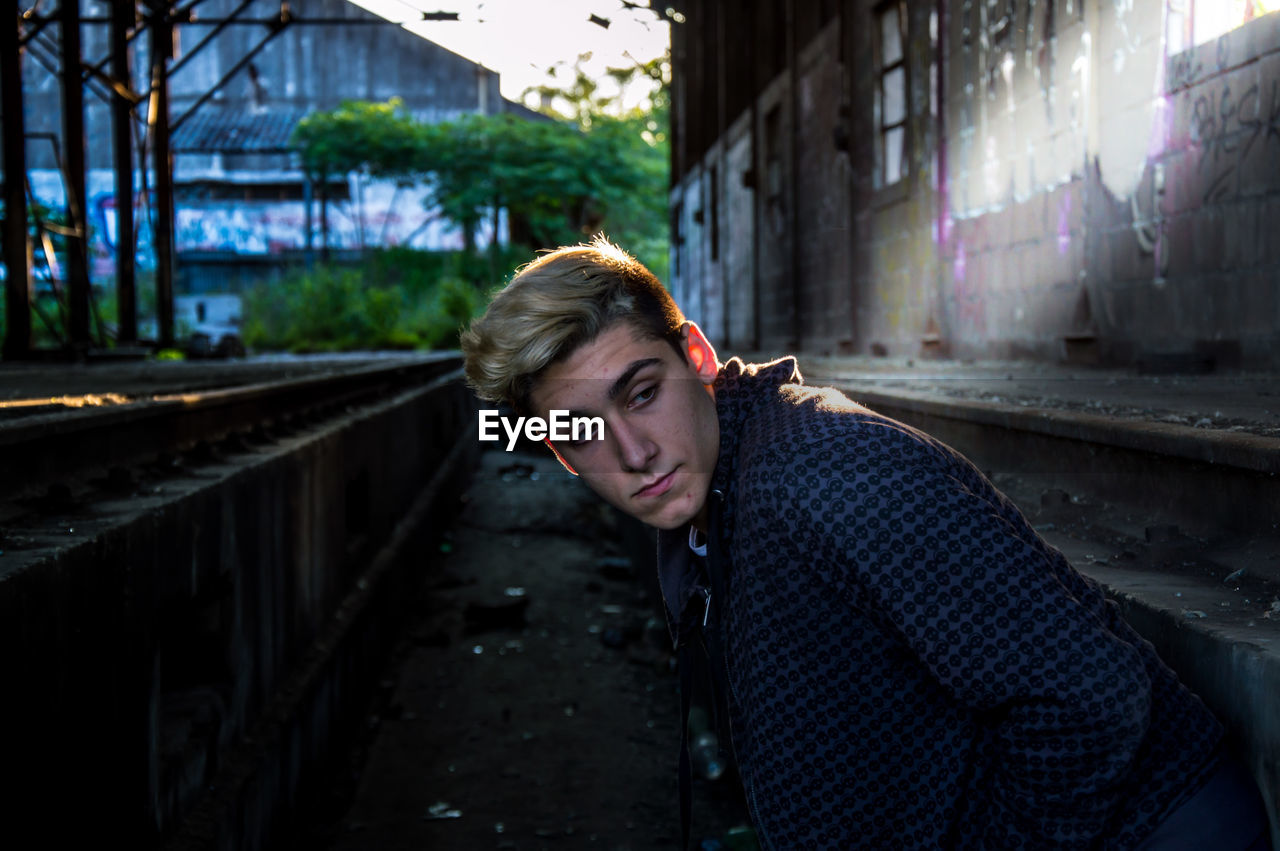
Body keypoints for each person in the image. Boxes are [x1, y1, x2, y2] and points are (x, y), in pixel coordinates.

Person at [460, 236, 1272, 850]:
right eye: (586, 433)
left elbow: (1091, 701)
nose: (633, 452)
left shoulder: (832, 479)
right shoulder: (720, 499)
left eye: (642, 393)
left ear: (698, 357)